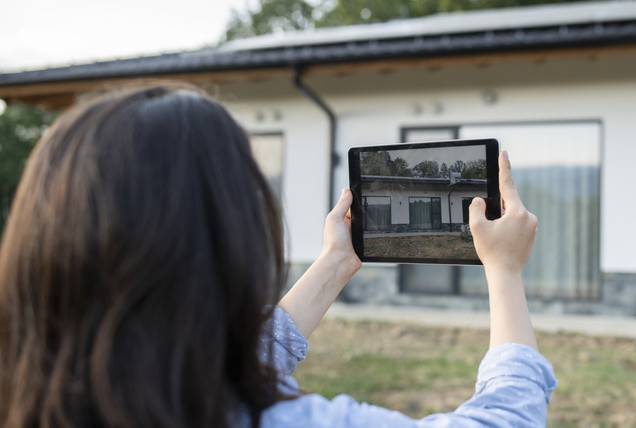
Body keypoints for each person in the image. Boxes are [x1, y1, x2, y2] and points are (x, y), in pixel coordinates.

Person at [0, 83, 557, 428]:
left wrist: (336, 262)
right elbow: (507, 419)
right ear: (232, 242)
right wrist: (504, 271)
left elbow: (239, 358)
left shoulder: (39, 399)